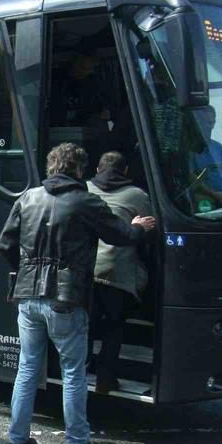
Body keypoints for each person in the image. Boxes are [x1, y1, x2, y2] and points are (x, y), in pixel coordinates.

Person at [0, 143, 156, 444]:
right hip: (66, 298)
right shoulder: (85, 201)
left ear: (51, 167)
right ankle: (78, 443)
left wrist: (26, 269)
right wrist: (138, 227)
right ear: (79, 170)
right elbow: (120, 236)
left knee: (27, 368)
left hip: (28, 296)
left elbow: (4, 243)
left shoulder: (27, 198)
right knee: (73, 372)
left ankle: (17, 439)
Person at [87, 152, 154, 394]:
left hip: (87, 270)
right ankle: (106, 379)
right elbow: (149, 231)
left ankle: (78, 372)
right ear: (125, 171)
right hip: (119, 274)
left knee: (86, 325)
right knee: (114, 326)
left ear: (97, 169)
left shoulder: (84, 190)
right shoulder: (138, 195)